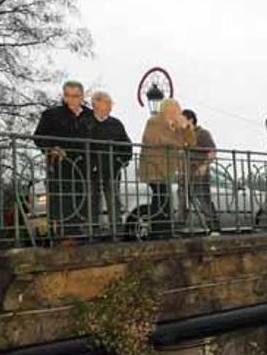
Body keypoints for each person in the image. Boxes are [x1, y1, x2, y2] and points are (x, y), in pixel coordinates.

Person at [34, 81, 91, 239]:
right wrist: (51, 148)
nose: (71, 99)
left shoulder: (90, 116)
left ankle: (80, 234)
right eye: (68, 95)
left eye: (75, 96)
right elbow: (38, 136)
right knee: (62, 200)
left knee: (83, 199)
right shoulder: (52, 114)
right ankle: (62, 236)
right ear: (64, 96)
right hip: (61, 165)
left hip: (85, 166)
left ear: (82, 96)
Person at [138, 99, 196, 236]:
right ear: (167, 110)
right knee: (160, 197)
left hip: (168, 169)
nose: (178, 113)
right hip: (154, 167)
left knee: (164, 197)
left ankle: (164, 229)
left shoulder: (176, 125)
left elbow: (191, 142)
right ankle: (159, 230)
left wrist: (186, 128)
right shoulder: (154, 121)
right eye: (176, 110)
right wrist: (179, 143)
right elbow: (155, 139)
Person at [80, 91, 132, 237]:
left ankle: (116, 232)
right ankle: (92, 232)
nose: (110, 106)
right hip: (91, 170)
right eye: (107, 103)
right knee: (91, 200)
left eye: (110, 103)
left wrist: (120, 161)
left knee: (113, 201)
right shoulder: (86, 123)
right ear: (96, 104)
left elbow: (127, 146)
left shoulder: (116, 124)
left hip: (112, 170)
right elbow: (81, 147)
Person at [181, 109, 220, 234]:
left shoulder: (203, 134)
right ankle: (179, 229)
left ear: (190, 120)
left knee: (204, 202)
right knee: (182, 203)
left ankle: (214, 228)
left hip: (199, 175)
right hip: (184, 175)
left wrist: (204, 166)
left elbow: (212, 151)